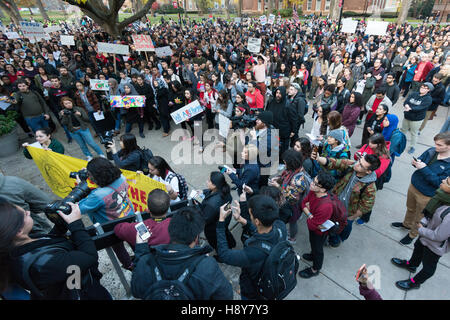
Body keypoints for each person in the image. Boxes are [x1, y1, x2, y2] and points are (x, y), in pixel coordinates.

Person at [1, 199, 112, 300]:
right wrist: (76, 225)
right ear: (19, 231)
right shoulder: (46, 264)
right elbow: (89, 256)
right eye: (25, 214)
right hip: (84, 294)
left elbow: (45, 245)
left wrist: (60, 226)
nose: (28, 212)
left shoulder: (12, 251)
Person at [130, 206, 233, 300]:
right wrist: (203, 262)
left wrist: (141, 248)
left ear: (171, 231)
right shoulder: (207, 267)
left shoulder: (146, 261)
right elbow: (226, 296)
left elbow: (136, 290)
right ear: (195, 237)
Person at [216, 194, 288, 300]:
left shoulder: (254, 252)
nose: (249, 216)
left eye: (250, 214)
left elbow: (224, 255)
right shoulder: (280, 225)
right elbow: (262, 231)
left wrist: (221, 221)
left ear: (257, 221)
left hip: (254, 292)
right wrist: (241, 219)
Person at [391, 176, 450, 291]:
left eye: (447, 182)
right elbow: (430, 214)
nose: (443, 180)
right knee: (417, 248)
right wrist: (422, 223)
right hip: (425, 236)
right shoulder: (441, 197)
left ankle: (415, 282)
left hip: (435, 246)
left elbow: (439, 236)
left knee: (428, 267)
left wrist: (420, 229)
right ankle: (412, 265)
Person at [391, 132, 450, 246]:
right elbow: (421, 160)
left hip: (427, 195)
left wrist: (424, 168)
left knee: (419, 217)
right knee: (410, 208)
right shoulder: (432, 151)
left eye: (439, 145)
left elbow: (439, 183)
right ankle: (406, 224)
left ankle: (412, 234)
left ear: (449, 146)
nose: (436, 146)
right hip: (414, 186)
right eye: (435, 144)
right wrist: (416, 162)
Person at [311, 152, 381, 247]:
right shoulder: (352, 166)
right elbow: (335, 163)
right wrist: (319, 158)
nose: (356, 164)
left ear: (368, 171)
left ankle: (335, 241)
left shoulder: (370, 187)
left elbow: (366, 206)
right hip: (334, 205)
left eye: (361, 165)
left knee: (341, 229)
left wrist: (351, 218)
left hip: (347, 213)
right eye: (359, 161)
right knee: (328, 225)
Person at [77, 158, 135, 270]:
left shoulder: (98, 196)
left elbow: (79, 208)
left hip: (111, 228)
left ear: (96, 176)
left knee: (118, 248)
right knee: (133, 239)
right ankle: (142, 256)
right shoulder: (122, 178)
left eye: (90, 174)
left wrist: (81, 185)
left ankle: (129, 265)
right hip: (128, 216)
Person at [269, 150, 312, 243]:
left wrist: (278, 186)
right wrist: (279, 179)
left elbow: (292, 198)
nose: (284, 164)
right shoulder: (294, 169)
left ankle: (292, 238)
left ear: (291, 163)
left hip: (293, 206)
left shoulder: (298, 181)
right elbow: (286, 177)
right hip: (288, 202)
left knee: (293, 222)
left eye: (285, 162)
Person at [298, 171, 336, 278]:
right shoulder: (313, 191)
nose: (311, 184)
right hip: (315, 227)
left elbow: (311, 224)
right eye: (313, 180)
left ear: (323, 189)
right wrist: (310, 214)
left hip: (319, 231)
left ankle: (315, 269)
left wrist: (308, 213)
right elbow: (303, 203)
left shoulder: (325, 206)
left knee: (318, 249)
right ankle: (312, 255)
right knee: (313, 244)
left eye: (315, 183)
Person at [195, 171, 235, 251]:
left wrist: (197, 205)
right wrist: (203, 192)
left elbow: (205, 219)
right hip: (225, 218)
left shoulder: (212, 204)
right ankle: (230, 244)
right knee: (225, 233)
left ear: (215, 185)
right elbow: (211, 192)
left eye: (209, 181)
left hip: (214, 227)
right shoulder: (225, 188)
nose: (207, 181)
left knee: (216, 242)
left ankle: (221, 254)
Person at [59, 97, 105, 161]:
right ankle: (88, 156)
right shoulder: (62, 112)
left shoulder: (79, 109)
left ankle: (101, 154)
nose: (68, 105)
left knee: (91, 143)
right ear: (63, 105)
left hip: (83, 129)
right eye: (66, 104)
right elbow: (63, 123)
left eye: (69, 103)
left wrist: (80, 115)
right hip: (73, 131)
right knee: (82, 145)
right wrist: (64, 116)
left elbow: (87, 119)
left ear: (72, 102)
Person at [265, 86, 297, 164]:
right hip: (272, 129)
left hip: (284, 131)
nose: (278, 95)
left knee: (283, 148)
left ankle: (282, 162)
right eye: (277, 93)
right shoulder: (272, 101)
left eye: (280, 93)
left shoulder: (288, 104)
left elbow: (294, 119)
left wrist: (293, 130)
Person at [401, 82, 433, 155]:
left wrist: (410, 108)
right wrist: (406, 105)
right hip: (407, 116)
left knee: (414, 133)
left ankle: (412, 147)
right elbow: (406, 101)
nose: (422, 88)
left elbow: (420, 108)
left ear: (428, 90)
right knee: (403, 130)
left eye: (425, 88)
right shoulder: (414, 94)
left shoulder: (428, 99)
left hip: (416, 119)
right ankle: (399, 142)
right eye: (422, 86)